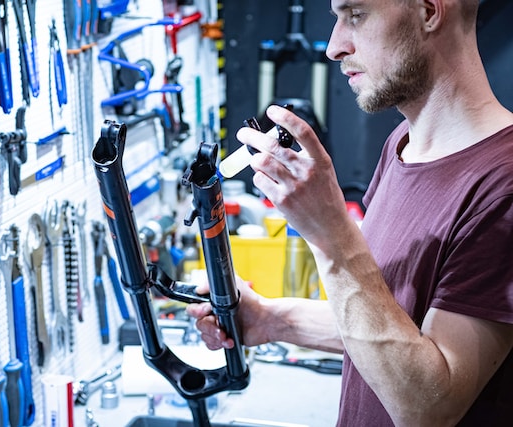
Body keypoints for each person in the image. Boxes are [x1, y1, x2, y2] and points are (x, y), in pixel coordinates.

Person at [187, 0, 513, 425]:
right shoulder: (404, 146)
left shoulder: (502, 184)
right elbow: (393, 326)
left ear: (430, 11)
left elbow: (429, 406)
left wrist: (329, 232)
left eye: (355, 15)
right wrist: (274, 320)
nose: (334, 47)